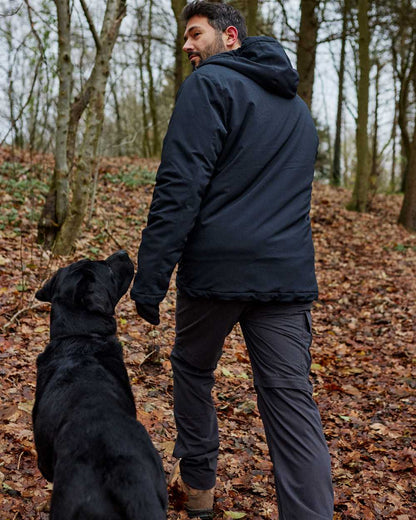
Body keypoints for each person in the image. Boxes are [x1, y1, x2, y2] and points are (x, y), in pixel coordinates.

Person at [131, 1, 334, 519]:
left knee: (193, 367)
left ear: (230, 37)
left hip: (218, 272)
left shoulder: (208, 87)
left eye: (195, 34)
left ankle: (197, 483)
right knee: (290, 402)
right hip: (285, 277)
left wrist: (150, 281)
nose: (187, 47)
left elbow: (179, 188)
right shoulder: (297, 108)